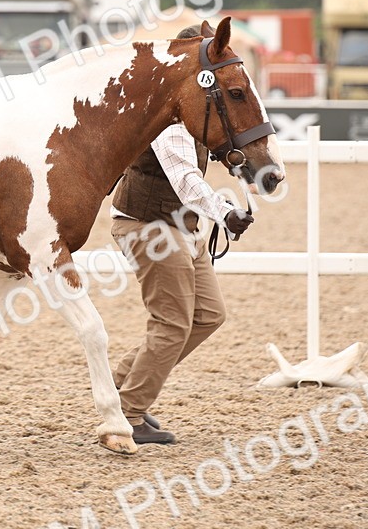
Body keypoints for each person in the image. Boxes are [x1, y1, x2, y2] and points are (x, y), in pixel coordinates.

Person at [108, 26, 255, 445]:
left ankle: (119, 387)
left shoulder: (201, 109)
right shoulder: (167, 118)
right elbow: (184, 179)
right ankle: (130, 413)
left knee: (208, 315)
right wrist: (224, 213)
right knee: (171, 323)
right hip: (148, 224)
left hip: (178, 226)